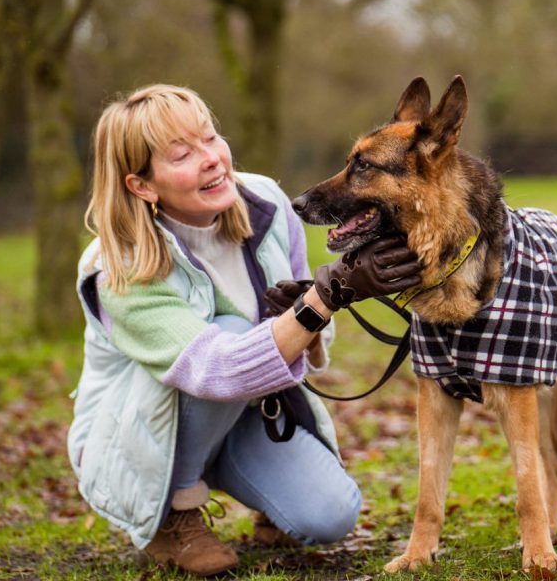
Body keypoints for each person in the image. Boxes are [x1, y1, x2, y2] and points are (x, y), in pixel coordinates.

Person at [67, 85, 422, 577]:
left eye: (211, 138)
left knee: (330, 515)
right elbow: (219, 369)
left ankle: (258, 490)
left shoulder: (267, 204)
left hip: (244, 414)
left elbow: (314, 343)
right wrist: (327, 295)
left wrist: (306, 308)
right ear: (142, 185)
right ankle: (175, 513)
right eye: (182, 154)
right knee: (232, 330)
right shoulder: (118, 267)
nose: (212, 159)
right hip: (138, 437)